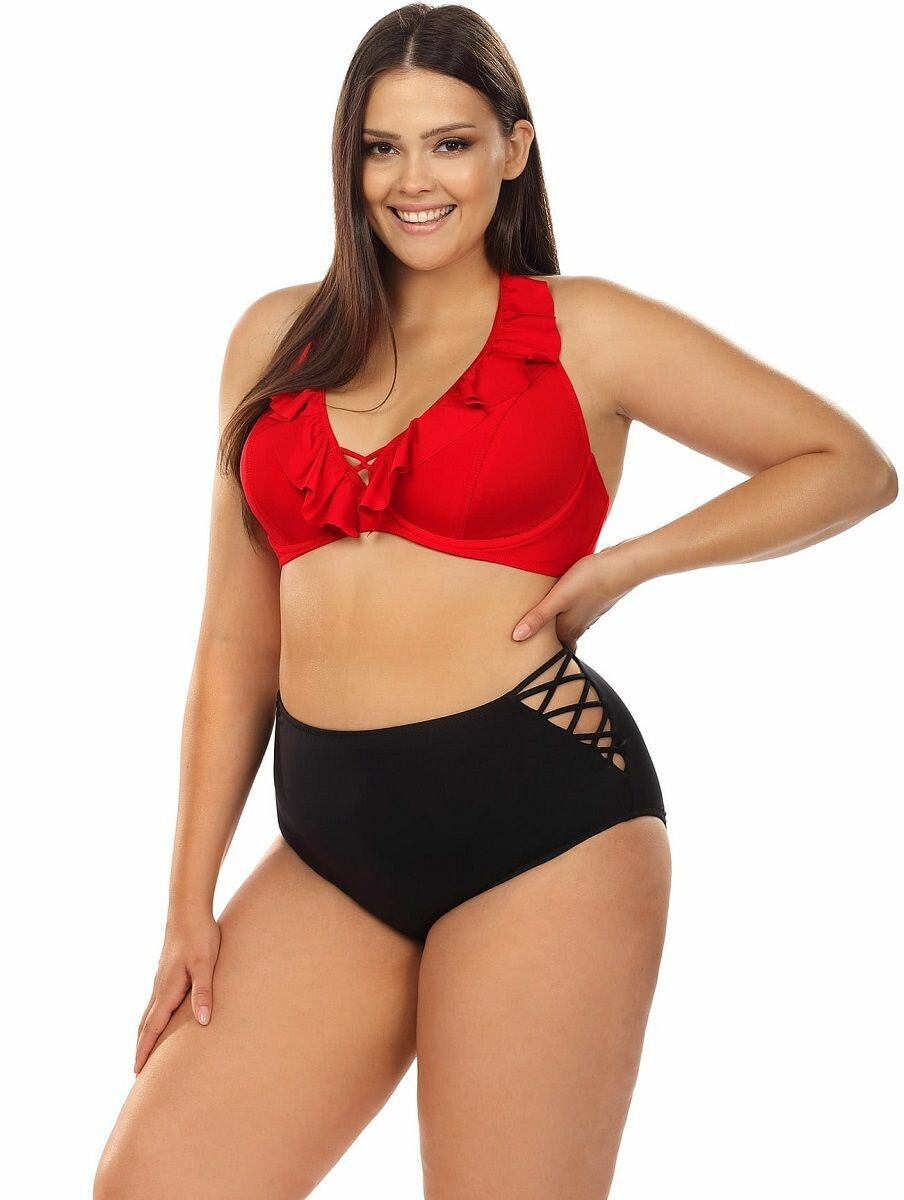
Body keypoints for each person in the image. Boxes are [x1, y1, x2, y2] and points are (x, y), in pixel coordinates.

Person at [93, 5, 898, 1198]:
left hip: (544, 825)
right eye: (382, 147)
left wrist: (628, 563)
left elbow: (847, 467)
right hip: (328, 844)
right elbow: (231, 641)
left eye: (451, 144)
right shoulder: (275, 340)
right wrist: (186, 903)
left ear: (513, 149)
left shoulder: (587, 329)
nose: (413, 181)